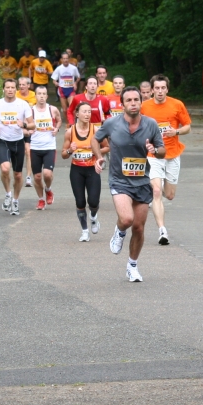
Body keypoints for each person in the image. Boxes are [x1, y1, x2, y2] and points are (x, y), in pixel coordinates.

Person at [96, 86, 165, 282]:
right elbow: (95, 139)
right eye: (129, 100)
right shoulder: (112, 123)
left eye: (136, 100)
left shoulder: (151, 124)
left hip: (142, 181)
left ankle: (132, 266)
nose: (133, 103)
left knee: (139, 228)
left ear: (141, 102)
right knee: (126, 219)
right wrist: (99, 156)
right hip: (119, 180)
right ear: (122, 104)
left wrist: (154, 149)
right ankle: (119, 231)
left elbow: (162, 151)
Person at [140, 74, 191, 245]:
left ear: (167, 89)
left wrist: (175, 132)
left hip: (172, 154)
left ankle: (155, 184)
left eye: (163, 88)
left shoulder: (177, 105)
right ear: (152, 90)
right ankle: (162, 231)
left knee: (169, 195)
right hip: (153, 155)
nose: (160, 91)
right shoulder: (144, 107)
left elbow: (187, 127)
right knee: (156, 191)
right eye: (157, 88)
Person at [0, 79, 35, 216]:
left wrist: (24, 125)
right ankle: (8, 193)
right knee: (5, 168)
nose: (10, 90)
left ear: (16, 89)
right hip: (3, 141)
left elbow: (33, 124)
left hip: (18, 142)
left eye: (13, 87)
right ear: (3, 89)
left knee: (18, 175)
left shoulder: (23, 104)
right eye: (7, 87)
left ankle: (15, 200)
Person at [62, 103, 107, 241]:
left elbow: (107, 147)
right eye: (84, 112)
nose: (87, 114)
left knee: (93, 201)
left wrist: (95, 151)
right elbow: (63, 154)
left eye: (89, 112)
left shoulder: (96, 130)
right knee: (80, 202)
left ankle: (93, 216)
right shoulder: (70, 132)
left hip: (92, 169)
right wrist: (70, 150)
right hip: (77, 170)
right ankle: (85, 231)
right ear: (77, 114)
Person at [27, 86, 60, 209]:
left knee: (47, 174)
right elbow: (25, 126)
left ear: (47, 96)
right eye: (39, 94)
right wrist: (28, 131)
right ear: (35, 96)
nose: (41, 96)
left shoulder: (53, 109)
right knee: (37, 177)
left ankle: (48, 189)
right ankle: (41, 199)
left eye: (44, 94)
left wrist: (56, 129)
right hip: (35, 147)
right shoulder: (30, 112)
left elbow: (59, 121)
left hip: (49, 147)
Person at [16, 77, 37, 187]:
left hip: (29, 125)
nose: (21, 86)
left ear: (28, 85)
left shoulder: (34, 95)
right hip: (17, 127)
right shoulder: (15, 95)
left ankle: (28, 177)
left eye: (23, 84)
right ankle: (17, 174)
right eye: (20, 84)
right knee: (17, 152)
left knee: (28, 151)